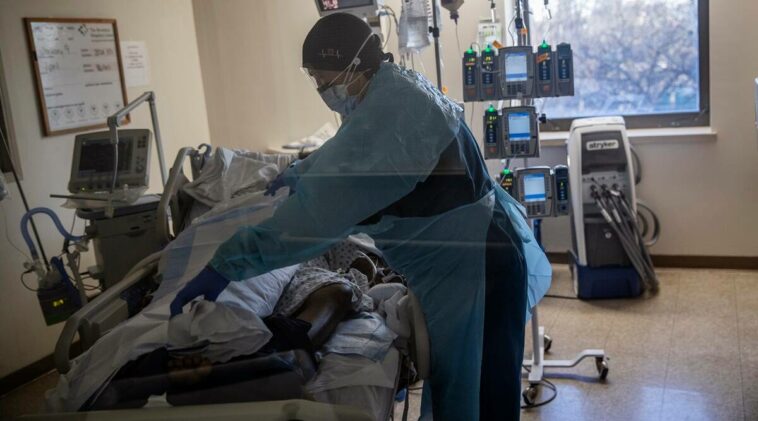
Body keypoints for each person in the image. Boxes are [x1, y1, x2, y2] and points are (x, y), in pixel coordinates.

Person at [171, 13, 551, 421]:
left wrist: (228, 263)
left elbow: (315, 218)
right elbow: (347, 151)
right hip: (477, 252)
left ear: (351, 64)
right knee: (474, 384)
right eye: (313, 78)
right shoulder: (392, 90)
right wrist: (302, 170)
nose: (320, 88)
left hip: (475, 265)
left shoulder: (394, 111)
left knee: (474, 392)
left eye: (323, 77)